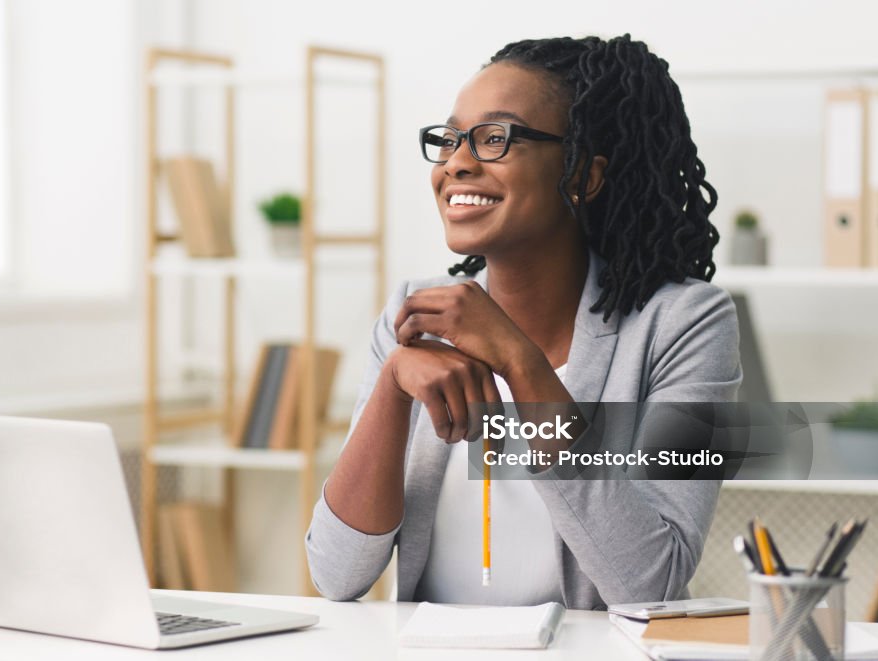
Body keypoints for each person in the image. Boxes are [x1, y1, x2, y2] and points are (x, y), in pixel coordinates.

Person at [305, 35, 741, 609]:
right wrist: (392, 385)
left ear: (584, 173)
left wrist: (520, 361)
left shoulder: (685, 323)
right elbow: (335, 576)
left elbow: (650, 585)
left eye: (495, 138)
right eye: (450, 139)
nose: (458, 162)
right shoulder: (415, 313)